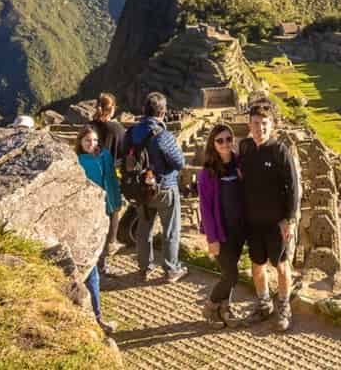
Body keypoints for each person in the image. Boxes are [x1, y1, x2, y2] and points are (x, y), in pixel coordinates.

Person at [240, 99, 301, 331]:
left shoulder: (279, 151)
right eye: (256, 123)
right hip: (253, 222)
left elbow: (293, 188)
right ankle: (264, 303)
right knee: (257, 266)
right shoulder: (245, 148)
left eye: (264, 124)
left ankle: (284, 306)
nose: (260, 128)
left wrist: (290, 220)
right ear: (249, 124)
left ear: (271, 125)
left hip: (277, 222)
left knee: (282, 266)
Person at [125, 92, 188, 283]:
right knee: (171, 230)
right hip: (164, 188)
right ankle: (171, 269)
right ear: (163, 112)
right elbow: (179, 163)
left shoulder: (132, 132)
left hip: (140, 190)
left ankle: (144, 268)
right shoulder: (164, 135)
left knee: (144, 229)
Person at [75, 124, 123, 334]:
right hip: (87, 213)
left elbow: (111, 178)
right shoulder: (78, 161)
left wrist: (116, 201)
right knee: (91, 263)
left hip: (107, 205)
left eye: (94, 140)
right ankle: (95, 317)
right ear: (80, 142)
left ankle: (95, 316)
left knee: (104, 244)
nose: (92, 144)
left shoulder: (103, 155)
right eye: (87, 141)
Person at [197, 123, 245, 327]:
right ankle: (210, 307)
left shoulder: (240, 164)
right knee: (230, 275)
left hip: (239, 229)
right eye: (220, 140)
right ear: (213, 144)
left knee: (231, 271)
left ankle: (225, 308)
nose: (225, 144)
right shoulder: (207, 173)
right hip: (220, 231)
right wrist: (212, 239)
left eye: (228, 139)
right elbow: (206, 209)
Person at [90, 93, 126, 267]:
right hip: (111, 179)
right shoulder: (117, 129)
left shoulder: (88, 128)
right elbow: (123, 156)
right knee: (112, 215)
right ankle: (104, 257)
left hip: (89, 177)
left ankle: (92, 257)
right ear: (112, 109)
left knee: (93, 215)